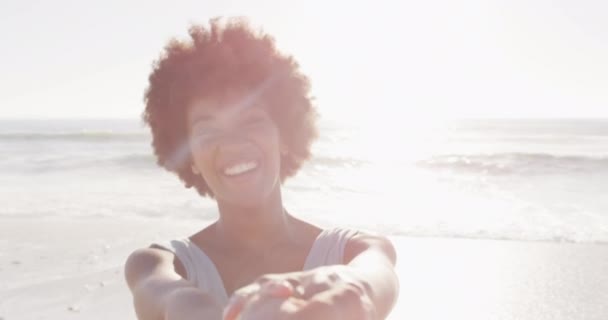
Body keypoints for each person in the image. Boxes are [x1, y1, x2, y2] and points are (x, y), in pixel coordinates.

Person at [124, 17, 399, 320]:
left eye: (251, 121)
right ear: (189, 157)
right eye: (208, 130)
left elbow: (368, 283)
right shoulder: (156, 263)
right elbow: (172, 299)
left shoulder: (356, 251)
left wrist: (346, 293)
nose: (231, 145)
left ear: (285, 134)